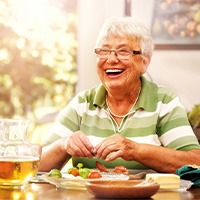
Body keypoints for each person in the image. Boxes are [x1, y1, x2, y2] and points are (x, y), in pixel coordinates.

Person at [39, 17, 200, 173]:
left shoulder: (164, 102)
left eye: (123, 51)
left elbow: (196, 163)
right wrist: (63, 144)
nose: (111, 59)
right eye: (104, 51)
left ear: (145, 61)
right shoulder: (82, 103)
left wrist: (136, 151)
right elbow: (36, 163)